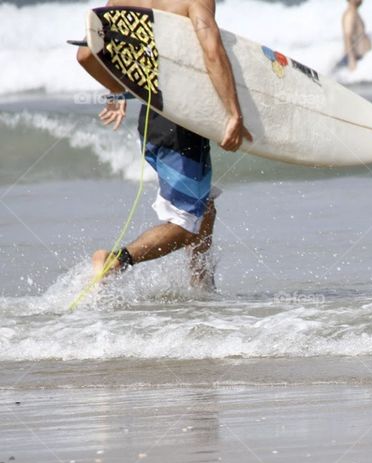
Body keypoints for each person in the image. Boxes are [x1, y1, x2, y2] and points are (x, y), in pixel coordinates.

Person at [76, 0, 252, 289]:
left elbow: (86, 55)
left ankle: (202, 287)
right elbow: (212, 51)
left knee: (203, 208)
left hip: (152, 121)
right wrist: (234, 112)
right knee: (185, 225)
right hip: (181, 123)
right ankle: (116, 260)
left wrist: (117, 91)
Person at [336, 0, 372, 71]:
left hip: (358, 59)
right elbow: (347, 37)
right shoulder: (350, 15)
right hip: (353, 60)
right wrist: (351, 60)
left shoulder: (354, 13)